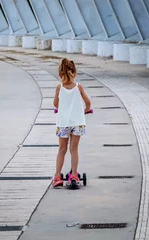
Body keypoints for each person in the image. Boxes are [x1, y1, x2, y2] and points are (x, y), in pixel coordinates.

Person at [52, 58, 91, 188]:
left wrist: (60, 108)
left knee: (62, 149)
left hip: (63, 123)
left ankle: (58, 176)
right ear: (74, 72)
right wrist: (85, 111)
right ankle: (74, 175)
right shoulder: (78, 87)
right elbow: (88, 102)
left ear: (60, 74)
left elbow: (55, 104)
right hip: (78, 122)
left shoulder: (59, 87)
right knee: (74, 149)